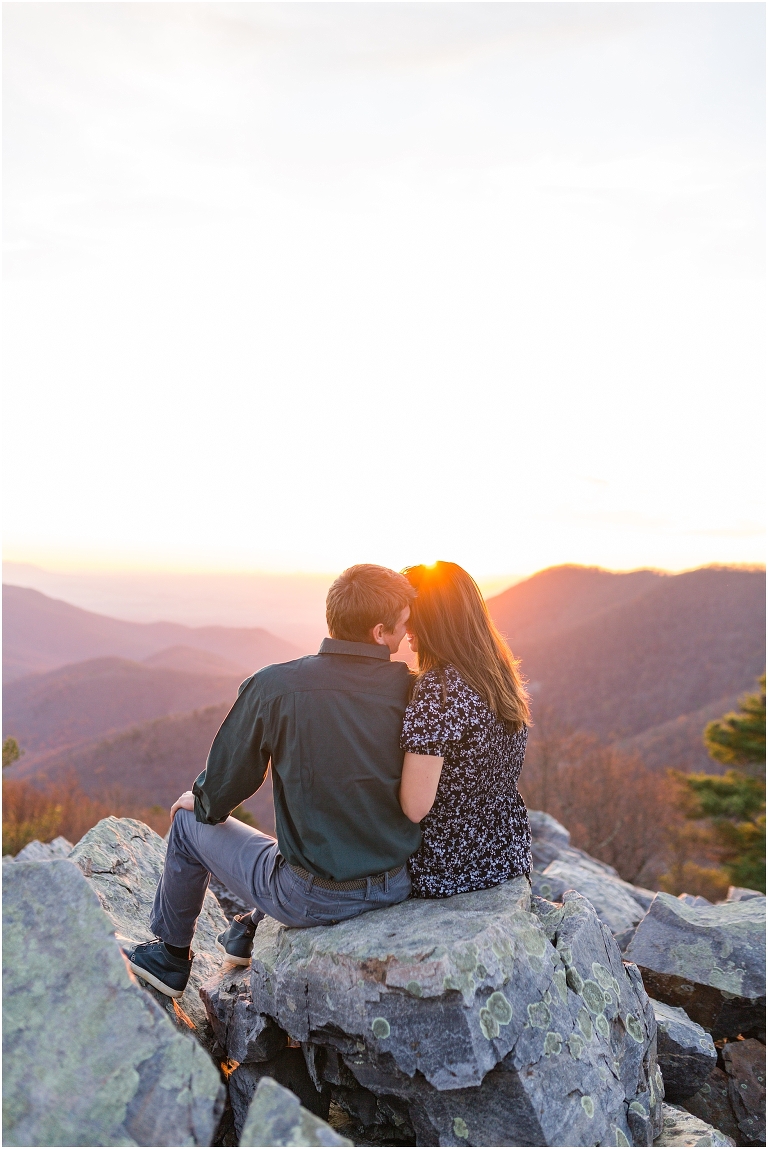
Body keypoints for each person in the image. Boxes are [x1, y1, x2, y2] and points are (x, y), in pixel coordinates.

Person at [123, 564, 421, 999]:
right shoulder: (415, 691)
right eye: (402, 626)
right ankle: (249, 930)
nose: (405, 636)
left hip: (313, 898)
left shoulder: (275, 686)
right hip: (396, 884)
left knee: (189, 826)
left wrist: (200, 802)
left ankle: (170, 957)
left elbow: (225, 786)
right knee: (298, 845)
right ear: (379, 632)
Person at [397, 561, 531, 897]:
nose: (402, 624)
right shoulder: (498, 676)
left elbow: (415, 806)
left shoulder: (439, 689)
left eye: (406, 612)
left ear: (430, 617)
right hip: (505, 857)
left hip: (446, 868)